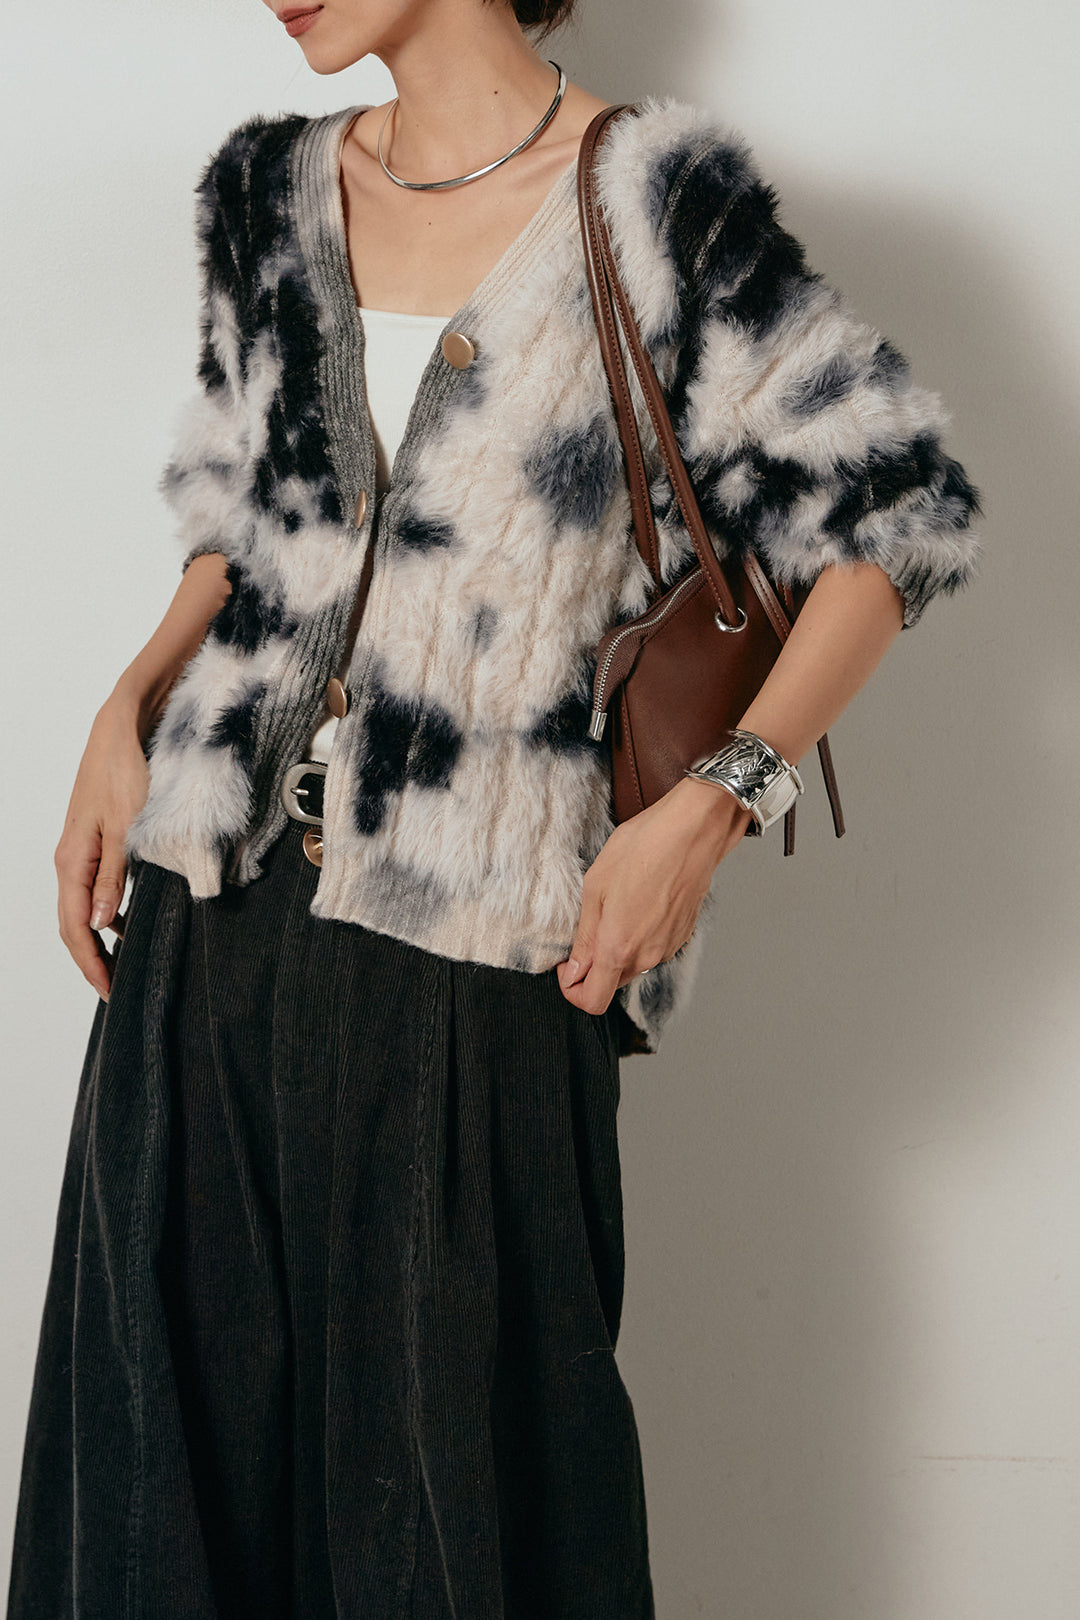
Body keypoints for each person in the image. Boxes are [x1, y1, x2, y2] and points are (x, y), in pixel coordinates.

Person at [6, 0, 982, 1614]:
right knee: (163, 1513)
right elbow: (239, 514)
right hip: (204, 938)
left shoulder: (653, 204)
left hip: (478, 962)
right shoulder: (268, 191)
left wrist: (713, 807)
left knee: (455, 1521)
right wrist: (128, 704)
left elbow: (894, 523)